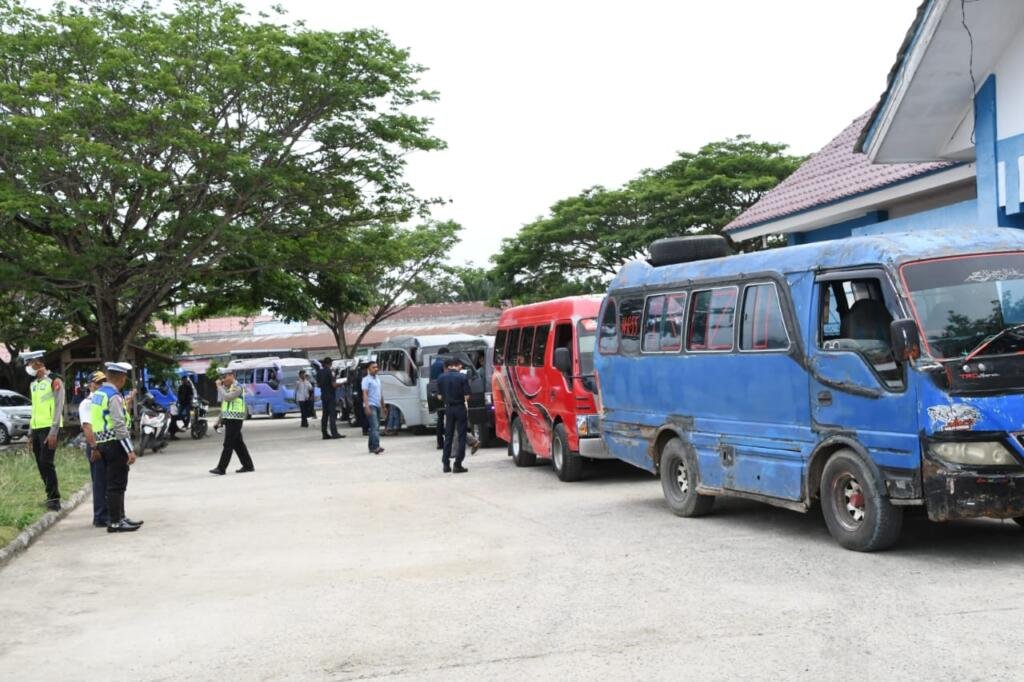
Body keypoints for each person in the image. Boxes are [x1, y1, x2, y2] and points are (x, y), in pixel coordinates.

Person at [91, 362, 142, 533]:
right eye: (124, 376)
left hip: (102, 442)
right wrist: (129, 449)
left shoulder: (98, 394)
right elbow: (119, 424)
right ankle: (115, 522)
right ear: (120, 378)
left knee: (112, 483)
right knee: (117, 484)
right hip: (115, 443)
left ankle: (120, 517)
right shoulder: (113, 395)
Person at [24, 350, 65, 511]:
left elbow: (58, 406)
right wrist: (29, 433)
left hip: (50, 427)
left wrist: (53, 432)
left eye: (29, 363)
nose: (28, 367)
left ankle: (54, 499)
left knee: (46, 462)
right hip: (36, 428)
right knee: (40, 464)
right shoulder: (33, 384)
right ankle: (50, 495)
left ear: (39, 363)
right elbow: (34, 409)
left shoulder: (55, 380)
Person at [209, 367, 255, 475]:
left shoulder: (238, 387)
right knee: (238, 443)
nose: (223, 380)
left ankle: (221, 468)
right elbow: (224, 406)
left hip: (235, 419)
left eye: (224, 377)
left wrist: (219, 387)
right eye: (222, 378)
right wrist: (219, 420)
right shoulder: (228, 388)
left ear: (231, 375)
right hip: (229, 418)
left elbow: (227, 398)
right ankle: (248, 465)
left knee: (228, 443)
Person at [79, 370, 108, 528]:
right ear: (90, 385)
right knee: (99, 483)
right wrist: (94, 447)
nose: (101, 385)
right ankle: (100, 516)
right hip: (95, 446)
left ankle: (109, 512)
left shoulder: (104, 401)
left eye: (103, 382)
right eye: (98, 383)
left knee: (108, 481)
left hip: (106, 444)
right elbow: (87, 427)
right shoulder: (87, 404)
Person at [437, 358, 471, 473]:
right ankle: (458, 464)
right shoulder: (462, 377)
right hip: (460, 407)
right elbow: (467, 396)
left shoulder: (441, 377)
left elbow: (439, 397)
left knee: (448, 436)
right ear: (456, 365)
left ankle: (446, 464)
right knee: (461, 436)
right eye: (460, 366)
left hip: (449, 408)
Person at [317, 357, 343, 440]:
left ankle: (324, 433)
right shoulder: (330, 372)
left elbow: (318, 384)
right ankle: (334, 433)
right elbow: (334, 385)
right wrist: (342, 383)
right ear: (330, 363)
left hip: (323, 395)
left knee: (325, 415)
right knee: (332, 415)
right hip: (330, 395)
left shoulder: (319, 372)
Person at [361, 361, 384, 454]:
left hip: (377, 405)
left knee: (374, 427)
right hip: (371, 405)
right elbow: (365, 394)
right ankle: (376, 446)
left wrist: (383, 405)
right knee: (375, 426)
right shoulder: (366, 380)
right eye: (373, 367)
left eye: (376, 367)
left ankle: (371, 447)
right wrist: (366, 407)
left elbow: (380, 393)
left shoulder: (377, 379)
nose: (376, 369)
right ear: (368, 369)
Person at [430, 348, 448, 450]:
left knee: (440, 419)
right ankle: (449, 440)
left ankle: (439, 443)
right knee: (449, 419)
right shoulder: (443, 365)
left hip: (436, 393)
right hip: (444, 394)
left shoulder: (433, 365)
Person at [169, 374, 195, 440]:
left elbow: (192, 394)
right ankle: (184, 423)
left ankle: (186, 424)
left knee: (188, 414)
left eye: (185, 380)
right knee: (180, 414)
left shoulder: (189, 387)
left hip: (188, 403)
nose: (184, 381)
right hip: (182, 403)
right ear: (182, 381)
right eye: (183, 380)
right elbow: (178, 395)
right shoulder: (181, 387)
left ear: (186, 380)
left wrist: (191, 401)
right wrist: (178, 401)